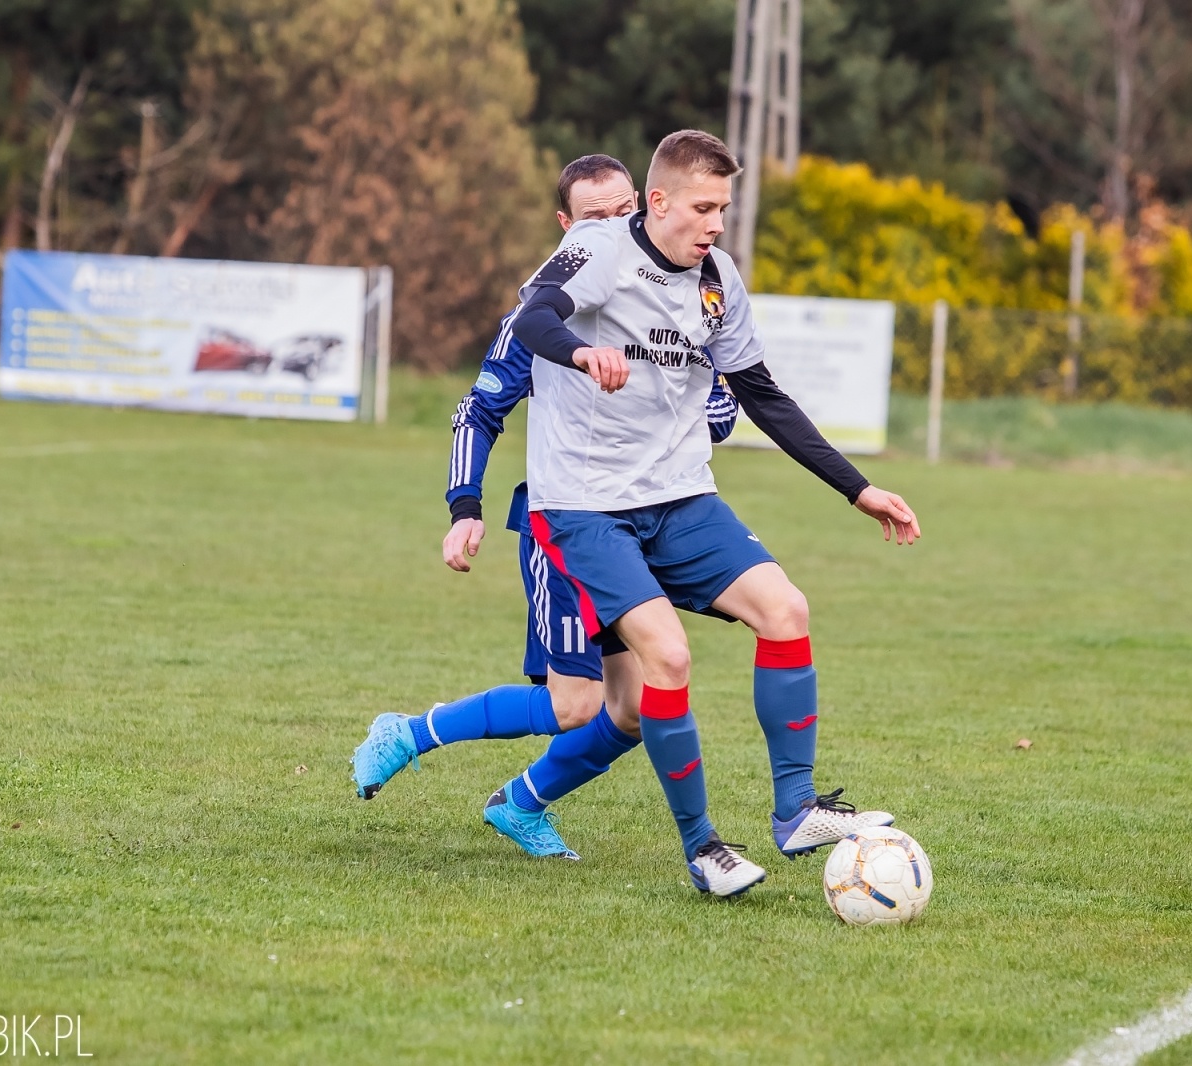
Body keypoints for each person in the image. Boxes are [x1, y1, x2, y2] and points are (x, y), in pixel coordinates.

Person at [356, 130, 921, 899]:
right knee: (616, 683)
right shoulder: (588, 261)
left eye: (724, 207)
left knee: (778, 615)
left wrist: (859, 490)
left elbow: (757, 395)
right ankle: (703, 847)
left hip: (679, 499)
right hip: (581, 510)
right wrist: (470, 502)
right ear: (636, 211)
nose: (717, 223)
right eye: (705, 207)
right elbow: (524, 335)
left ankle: (796, 811)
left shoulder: (716, 278)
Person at [430, 153, 739, 861]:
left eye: (622, 212)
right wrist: (464, 505)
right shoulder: (537, 317)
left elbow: (719, 413)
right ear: (567, 227)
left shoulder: (675, 300)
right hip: (565, 524)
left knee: (630, 711)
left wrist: (674, 387)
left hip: (643, 523)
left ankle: (520, 803)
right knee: (577, 707)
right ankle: (413, 733)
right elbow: (478, 410)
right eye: (594, 218)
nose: (612, 228)